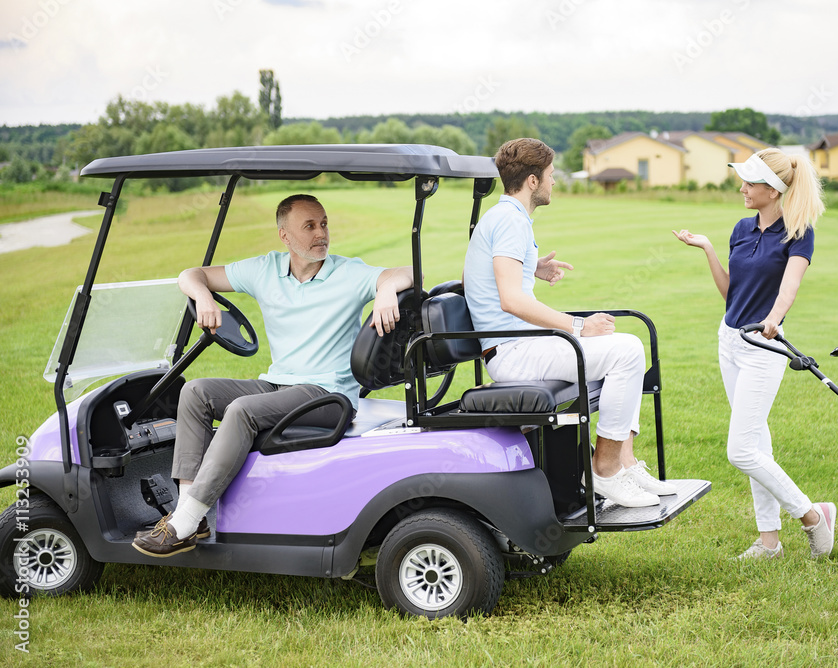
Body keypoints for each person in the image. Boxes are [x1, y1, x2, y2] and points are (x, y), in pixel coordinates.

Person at [133, 194, 414, 557]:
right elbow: (191, 275)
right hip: (280, 382)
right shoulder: (265, 270)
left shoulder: (348, 273)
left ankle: (183, 520)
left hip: (328, 395)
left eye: (324, 224)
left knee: (243, 410)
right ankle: (192, 518)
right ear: (285, 236)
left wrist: (387, 289)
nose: (321, 234)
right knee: (196, 392)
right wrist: (204, 297)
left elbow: (403, 273)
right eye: (309, 226)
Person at [463, 138, 676, 508]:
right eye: (550, 175)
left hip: (518, 344)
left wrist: (531, 267)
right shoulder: (510, 221)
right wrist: (576, 326)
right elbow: (511, 300)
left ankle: (624, 462)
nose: (554, 182)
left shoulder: (505, 218)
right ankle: (604, 471)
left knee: (624, 350)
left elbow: (473, 280)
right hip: (513, 352)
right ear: (532, 181)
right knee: (626, 351)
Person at [673, 148, 836, 559]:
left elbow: (790, 287)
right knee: (756, 443)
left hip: (765, 346)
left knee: (740, 449)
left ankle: (812, 516)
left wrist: (775, 318)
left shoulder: (798, 232)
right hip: (729, 340)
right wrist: (709, 249)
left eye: (750, 182)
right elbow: (732, 294)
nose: (742, 188)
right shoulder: (741, 229)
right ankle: (769, 541)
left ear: (773, 189)